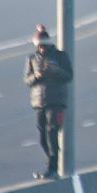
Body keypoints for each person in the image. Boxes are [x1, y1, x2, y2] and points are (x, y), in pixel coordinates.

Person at [24, 24, 73, 181]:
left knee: (52, 133)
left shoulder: (60, 56)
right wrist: (36, 76)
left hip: (56, 101)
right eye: (40, 46)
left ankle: (52, 168)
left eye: (44, 45)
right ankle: (51, 162)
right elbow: (27, 80)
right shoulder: (31, 59)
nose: (42, 49)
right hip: (40, 102)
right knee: (43, 136)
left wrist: (54, 71)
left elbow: (68, 76)